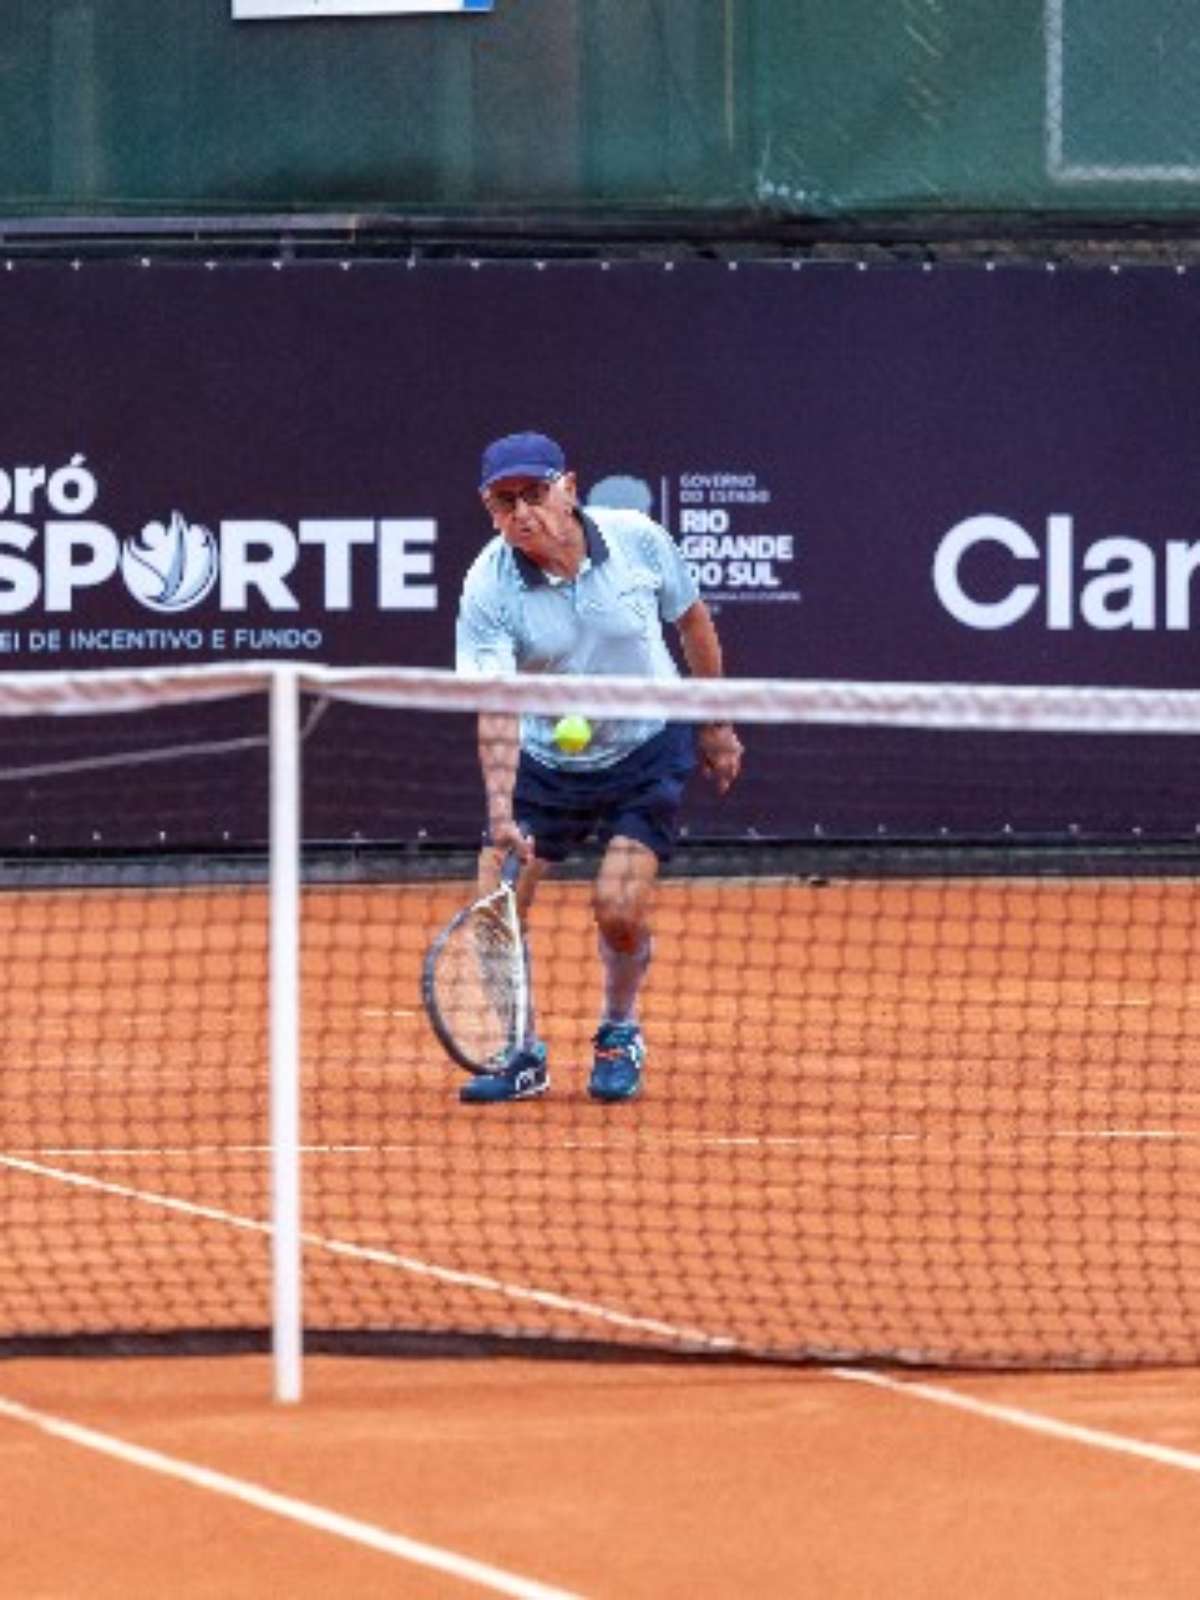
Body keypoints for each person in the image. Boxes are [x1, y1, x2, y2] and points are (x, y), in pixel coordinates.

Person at [455, 430, 743, 1104]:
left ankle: (619, 1029)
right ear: (489, 508)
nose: (522, 512)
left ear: (569, 487)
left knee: (617, 908)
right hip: (546, 762)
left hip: (648, 743)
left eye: (534, 493)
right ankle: (521, 1051)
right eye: (505, 502)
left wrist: (717, 723)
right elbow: (496, 708)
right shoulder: (487, 588)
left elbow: (693, 624)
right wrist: (500, 810)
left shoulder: (637, 539)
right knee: (494, 905)